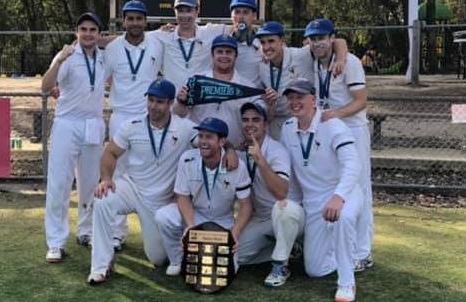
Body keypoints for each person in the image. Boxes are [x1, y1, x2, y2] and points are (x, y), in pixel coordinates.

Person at [87, 79, 197, 284]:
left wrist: (228, 149)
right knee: (102, 199)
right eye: (151, 100)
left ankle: (168, 245)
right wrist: (106, 179)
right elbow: (110, 152)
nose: (153, 106)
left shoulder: (185, 128)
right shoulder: (132, 125)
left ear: (171, 103)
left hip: (160, 200)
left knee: (157, 258)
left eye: (160, 102)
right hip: (132, 187)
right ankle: (100, 266)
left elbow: (210, 141)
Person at [281, 78, 362, 302]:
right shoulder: (288, 128)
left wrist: (338, 197)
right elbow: (294, 174)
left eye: (300, 97)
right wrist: (292, 204)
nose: (295, 102)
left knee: (343, 219)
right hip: (313, 201)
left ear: (313, 100)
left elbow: (353, 164)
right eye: (291, 98)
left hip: (343, 192)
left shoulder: (333, 124)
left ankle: (347, 283)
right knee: (315, 270)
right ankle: (345, 251)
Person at [304, 18, 373, 273]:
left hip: (352, 128)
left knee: (359, 189)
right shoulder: (313, 59)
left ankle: (362, 253)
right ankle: (339, 247)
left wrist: (338, 114)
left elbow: (361, 101)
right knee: (336, 185)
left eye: (322, 37)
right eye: (313, 38)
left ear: (331, 37)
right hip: (331, 127)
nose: (318, 42)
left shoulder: (350, 62)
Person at [41, 12, 106, 262]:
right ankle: (55, 242)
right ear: (76, 32)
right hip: (67, 124)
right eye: (83, 29)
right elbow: (45, 86)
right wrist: (58, 61)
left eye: (92, 30)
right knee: (59, 184)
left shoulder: (103, 57)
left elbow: (118, 41)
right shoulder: (67, 55)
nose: (88, 34)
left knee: (90, 184)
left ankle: (86, 232)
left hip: (93, 124)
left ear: (99, 34)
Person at [155, 117, 253, 276]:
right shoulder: (187, 159)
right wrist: (190, 227)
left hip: (223, 221)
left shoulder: (237, 166)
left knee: (228, 271)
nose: (203, 141)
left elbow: (246, 205)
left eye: (209, 137)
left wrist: (234, 233)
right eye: (201, 136)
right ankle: (177, 260)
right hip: (196, 215)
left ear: (222, 142)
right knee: (163, 216)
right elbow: (182, 196)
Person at [103, 0, 164, 251]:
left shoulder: (158, 43)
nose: (135, 23)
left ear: (145, 21)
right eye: (130, 19)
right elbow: (100, 78)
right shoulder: (113, 48)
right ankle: (117, 233)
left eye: (139, 19)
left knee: (151, 170)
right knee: (117, 172)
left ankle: (159, 227)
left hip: (148, 116)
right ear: (124, 21)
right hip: (120, 115)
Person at [235, 102, 305, 287]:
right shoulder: (241, 151)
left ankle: (280, 265)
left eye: (256, 120)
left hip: (288, 213)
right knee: (235, 256)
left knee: (283, 208)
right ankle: (289, 247)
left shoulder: (276, 150)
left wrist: (260, 160)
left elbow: (281, 192)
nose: (250, 124)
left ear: (266, 124)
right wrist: (228, 149)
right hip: (262, 218)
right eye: (245, 120)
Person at [254, 21, 349, 139]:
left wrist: (340, 59)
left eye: (271, 41)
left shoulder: (300, 55)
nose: (267, 47)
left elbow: (338, 41)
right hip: (276, 123)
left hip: (304, 120)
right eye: (263, 42)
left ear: (282, 41)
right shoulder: (262, 65)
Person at [173, 34, 259, 147]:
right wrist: (181, 102)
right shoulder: (197, 81)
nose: (224, 56)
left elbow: (261, 119)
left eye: (228, 52)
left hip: (235, 152)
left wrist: (270, 105)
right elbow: (178, 115)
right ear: (212, 55)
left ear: (236, 56)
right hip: (199, 150)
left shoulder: (247, 86)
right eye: (220, 51)